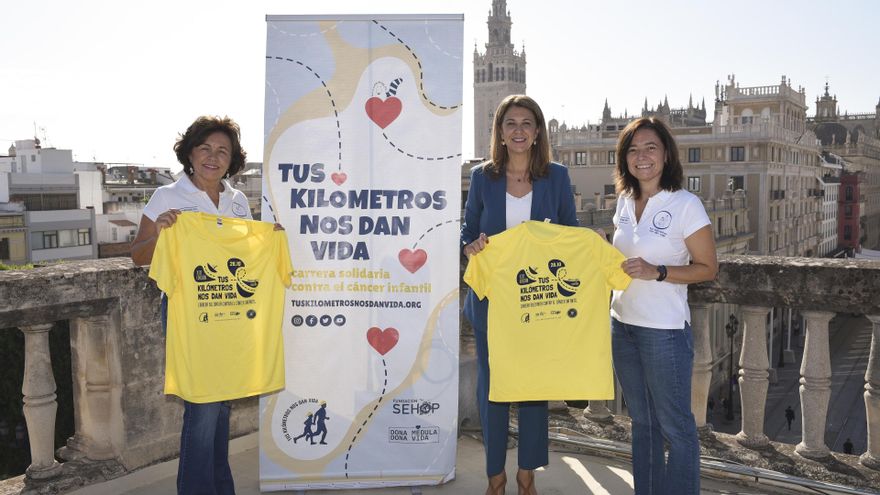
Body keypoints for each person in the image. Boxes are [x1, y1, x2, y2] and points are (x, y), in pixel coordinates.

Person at [131, 116, 262, 495]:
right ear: (189, 153)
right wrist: (160, 232)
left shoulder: (238, 201)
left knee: (220, 408)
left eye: (222, 151)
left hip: (230, 314)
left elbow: (246, 256)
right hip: (187, 313)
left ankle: (221, 487)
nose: (213, 157)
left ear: (232, 159)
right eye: (204, 148)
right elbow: (139, 255)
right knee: (203, 408)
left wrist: (270, 240)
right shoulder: (167, 197)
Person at [461, 94, 578, 495]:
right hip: (491, 302)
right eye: (510, 123)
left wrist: (590, 241)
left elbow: (569, 233)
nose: (518, 130)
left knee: (534, 388)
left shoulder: (557, 177)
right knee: (492, 389)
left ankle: (527, 474)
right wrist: (470, 245)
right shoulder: (482, 177)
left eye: (527, 123)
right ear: (499, 131)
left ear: (538, 131)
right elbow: (466, 231)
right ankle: (495, 476)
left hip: (538, 302)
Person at [609, 117, 718, 495]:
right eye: (633, 149)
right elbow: (620, 257)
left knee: (677, 429)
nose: (641, 156)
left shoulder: (686, 204)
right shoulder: (624, 201)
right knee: (643, 423)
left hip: (664, 333)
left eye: (650, 147)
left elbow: (708, 268)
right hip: (622, 325)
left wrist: (658, 272)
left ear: (666, 154)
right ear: (624, 158)